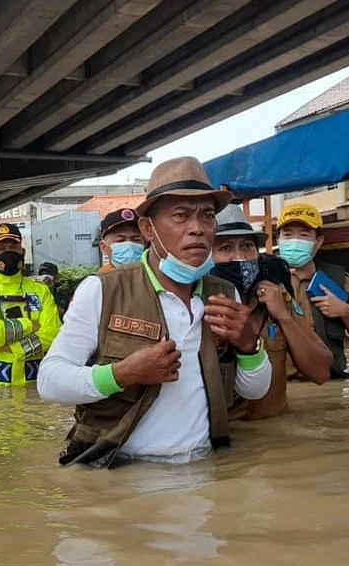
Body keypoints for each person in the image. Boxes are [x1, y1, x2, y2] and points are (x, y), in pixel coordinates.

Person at [37, 157, 272, 467]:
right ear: (148, 229)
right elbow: (49, 382)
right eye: (181, 216)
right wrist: (121, 374)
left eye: (207, 216)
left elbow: (255, 392)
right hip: (121, 474)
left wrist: (249, 346)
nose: (198, 229)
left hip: (204, 471)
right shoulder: (103, 290)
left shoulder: (224, 293)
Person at [210, 205, 330, 420]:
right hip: (226, 438)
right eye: (226, 248)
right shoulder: (195, 306)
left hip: (275, 435)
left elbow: (321, 372)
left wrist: (284, 316)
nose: (239, 257)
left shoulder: (278, 297)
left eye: (247, 246)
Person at [274, 203, 349, 379]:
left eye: (304, 235)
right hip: (281, 384)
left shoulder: (338, 279)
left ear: (318, 242)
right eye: (287, 235)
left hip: (329, 383)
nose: (295, 241)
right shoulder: (266, 278)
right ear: (278, 240)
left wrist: (345, 311)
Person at [0, 223, 61, 388]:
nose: (8, 252)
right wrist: (29, 325)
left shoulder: (40, 290)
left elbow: (52, 334)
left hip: (31, 387)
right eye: (0, 249)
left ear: (23, 251)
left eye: (13, 246)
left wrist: (15, 348)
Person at [97, 208, 147, 272]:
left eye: (136, 240)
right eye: (120, 240)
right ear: (103, 247)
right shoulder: (98, 280)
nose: (129, 245)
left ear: (146, 244)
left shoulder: (158, 277)